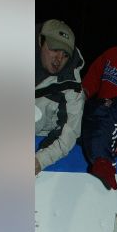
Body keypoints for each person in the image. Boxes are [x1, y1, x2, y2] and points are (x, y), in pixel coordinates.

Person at [36, 19, 86, 175]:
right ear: (40, 41)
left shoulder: (72, 88)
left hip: (39, 139)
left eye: (65, 55)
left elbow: (70, 132)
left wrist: (40, 160)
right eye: (55, 49)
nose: (58, 59)